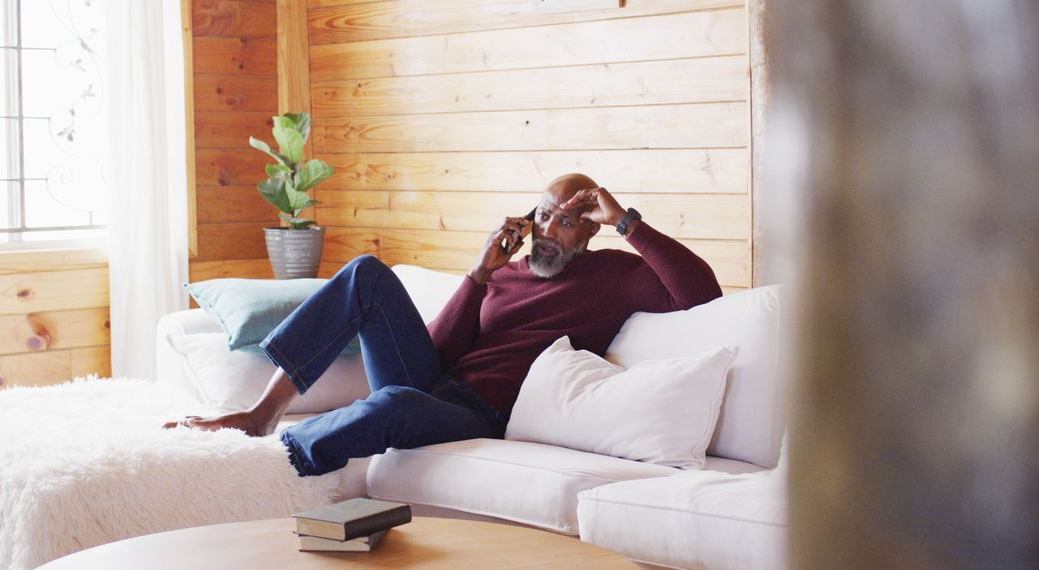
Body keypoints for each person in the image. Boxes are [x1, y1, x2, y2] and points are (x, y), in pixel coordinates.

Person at [164, 173, 722, 477]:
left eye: (570, 221)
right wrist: (478, 275)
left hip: (484, 412)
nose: (551, 229)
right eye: (545, 214)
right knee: (364, 273)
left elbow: (702, 292)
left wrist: (625, 220)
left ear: (590, 231)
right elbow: (438, 353)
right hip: (437, 381)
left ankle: (273, 466)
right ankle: (262, 416)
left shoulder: (616, 275)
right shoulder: (504, 272)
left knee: (394, 407)